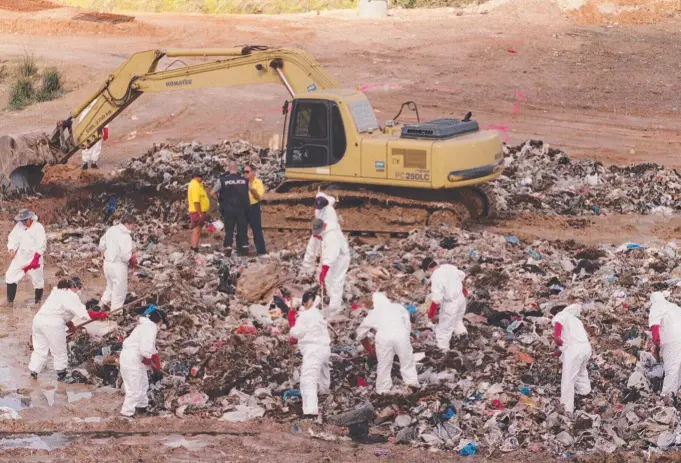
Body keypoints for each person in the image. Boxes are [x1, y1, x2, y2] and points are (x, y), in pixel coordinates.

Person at [28, 279, 108, 381]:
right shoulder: (71, 295)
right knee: (59, 351)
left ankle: (33, 372)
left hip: (38, 321)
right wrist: (99, 314)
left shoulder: (56, 292)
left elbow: (59, 310)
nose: (78, 291)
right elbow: (83, 314)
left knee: (39, 350)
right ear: (74, 287)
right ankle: (62, 376)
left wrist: (70, 324)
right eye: (78, 288)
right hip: (52, 324)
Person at [356, 292, 419, 394]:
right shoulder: (398, 307)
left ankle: (382, 390)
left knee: (384, 364)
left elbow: (361, 333)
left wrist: (370, 349)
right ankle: (412, 384)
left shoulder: (374, 312)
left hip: (383, 337)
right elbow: (407, 322)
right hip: (401, 334)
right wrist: (406, 336)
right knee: (407, 361)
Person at [119, 305, 166, 417]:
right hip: (132, 360)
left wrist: (155, 364)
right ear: (158, 320)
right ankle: (126, 414)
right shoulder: (150, 328)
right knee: (134, 389)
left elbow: (151, 348)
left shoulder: (145, 326)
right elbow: (145, 349)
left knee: (143, 383)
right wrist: (148, 360)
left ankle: (142, 407)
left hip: (134, 359)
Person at [289, 291, 330, 416]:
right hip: (325, 349)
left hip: (313, 349)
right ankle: (324, 397)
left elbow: (296, 333)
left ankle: (311, 411)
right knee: (323, 376)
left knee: (308, 379)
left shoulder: (305, 315)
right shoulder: (318, 314)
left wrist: (292, 327)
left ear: (307, 302)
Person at [302, 219, 350, 318]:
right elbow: (316, 250)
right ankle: (331, 300)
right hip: (330, 258)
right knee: (328, 281)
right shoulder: (322, 232)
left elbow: (331, 254)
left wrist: (324, 271)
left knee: (336, 282)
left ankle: (334, 310)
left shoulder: (331, 236)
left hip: (340, 259)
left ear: (323, 228)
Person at [552, 303, 592, 413]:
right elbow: (573, 339)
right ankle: (586, 395)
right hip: (586, 348)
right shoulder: (576, 321)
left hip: (575, 350)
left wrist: (557, 337)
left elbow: (558, 325)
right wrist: (560, 351)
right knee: (581, 372)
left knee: (568, 378)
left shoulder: (561, 315)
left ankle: (566, 408)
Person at [422, 257, 467, 351]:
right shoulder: (448, 266)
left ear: (428, 268)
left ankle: (443, 350)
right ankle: (463, 337)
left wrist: (431, 313)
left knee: (444, 328)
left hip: (450, 303)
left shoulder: (436, 276)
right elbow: (462, 275)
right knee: (458, 321)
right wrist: (463, 289)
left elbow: (437, 299)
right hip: (461, 298)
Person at [6, 209, 46, 306]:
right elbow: (13, 238)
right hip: (21, 256)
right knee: (10, 275)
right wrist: (11, 249)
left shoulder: (38, 227)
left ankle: (37, 301)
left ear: (30, 218)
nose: (23, 223)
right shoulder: (19, 226)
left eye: (25, 221)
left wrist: (36, 259)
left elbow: (42, 244)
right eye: (22, 221)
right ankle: (10, 301)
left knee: (38, 279)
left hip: (34, 257)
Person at [211, 161, 249, 256]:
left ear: (228, 169)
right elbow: (250, 190)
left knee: (229, 229)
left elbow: (212, 192)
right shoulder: (244, 180)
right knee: (242, 229)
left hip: (228, 208)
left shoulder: (223, 180)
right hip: (242, 209)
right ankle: (244, 248)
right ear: (237, 169)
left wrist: (220, 200)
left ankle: (228, 248)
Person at [99, 214, 137, 310]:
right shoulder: (125, 236)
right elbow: (125, 256)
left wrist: (103, 255)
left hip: (107, 263)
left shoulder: (112, 229)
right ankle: (115, 312)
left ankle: (100, 306)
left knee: (110, 286)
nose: (134, 227)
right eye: (133, 225)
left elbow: (102, 243)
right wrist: (132, 256)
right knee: (120, 290)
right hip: (118, 265)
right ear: (128, 224)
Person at [649, 292, 681, 397]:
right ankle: (676, 394)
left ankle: (666, 397)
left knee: (671, 368)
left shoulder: (656, 306)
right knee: (678, 368)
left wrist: (657, 344)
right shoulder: (674, 307)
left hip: (672, 341)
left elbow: (654, 327)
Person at [301, 192, 340, 276]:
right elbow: (318, 219)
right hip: (320, 228)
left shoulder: (330, 211)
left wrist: (321, 234)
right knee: (311, 247)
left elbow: (330, 225)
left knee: (325, 252)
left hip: (329, 232)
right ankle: (307, 269)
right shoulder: (318, 209)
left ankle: (323, 274)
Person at [244, 164, 267, 255]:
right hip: (243, 208)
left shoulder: (258, 182)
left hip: (254, 207)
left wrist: (251, 189)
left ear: (253, 172)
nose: (245, 174)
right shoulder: (242, 182)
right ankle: (243, 250)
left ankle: (261, 251)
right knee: (242, 230)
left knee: (257, 229)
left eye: (247, 171)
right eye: (244, 172)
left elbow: (259, 197)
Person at [79, 99, 108, 170]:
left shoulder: (99, 111)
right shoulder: (86, 112)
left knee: (96, 146)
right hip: (88, 132)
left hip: (96, 131)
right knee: (88, 146)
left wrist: (105, 131)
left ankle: (92, 163)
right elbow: (81, 123)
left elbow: (105, 120)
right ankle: (87, 163)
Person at [187, 170, 209, 253]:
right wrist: (200, 213)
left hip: (198, 211)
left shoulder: (197, 184)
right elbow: (196, 202)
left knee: (197, 230)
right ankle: (194, 248)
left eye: (202, 176)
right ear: (195, 177)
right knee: (197, 230)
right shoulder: (195, 186)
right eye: (200, 176)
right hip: (197, 212)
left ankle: (194, 247)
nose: (201, 178)